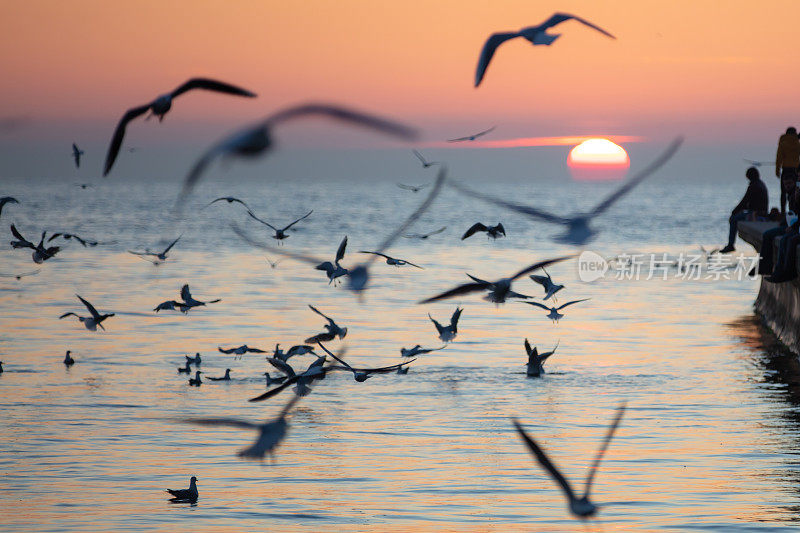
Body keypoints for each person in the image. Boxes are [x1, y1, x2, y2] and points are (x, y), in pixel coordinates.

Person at [720, 167, 768, 253]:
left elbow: (744, 201)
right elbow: (749, 202)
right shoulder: (760, 184)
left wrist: (734, 211)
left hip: (756, 213)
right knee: (738, 215)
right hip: (760, 211)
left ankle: (731, 244)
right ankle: (731, 244)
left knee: (734, 219)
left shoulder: (754, 186)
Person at [775, 126, 800, 217]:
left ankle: (782, 213)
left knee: (783, 192)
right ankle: (794, 210)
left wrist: (777, 170)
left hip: (786, 169)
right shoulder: (798, 144)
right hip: (795, 170)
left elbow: (779, 158)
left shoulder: (783, 143)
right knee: (795, 190)